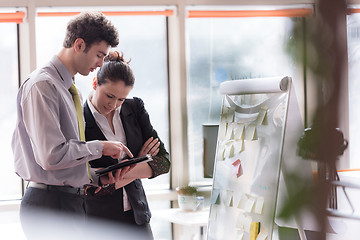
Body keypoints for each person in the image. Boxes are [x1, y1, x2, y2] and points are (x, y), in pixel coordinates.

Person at [11, 12, 133, 239]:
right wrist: (101, 147)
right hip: (50, 205)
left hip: (68, 201)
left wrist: (94, 175)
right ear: (79, 44)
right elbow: (51, 156)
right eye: (99, 55)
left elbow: (62, 162)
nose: (101, 64)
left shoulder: (67, 88)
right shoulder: (44, 85)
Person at [83, 51, 171, 239]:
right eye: (110, 96)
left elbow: (163, 163)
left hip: (138, 218)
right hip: (99, 223)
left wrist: (118, 173)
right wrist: (141, 162)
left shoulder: (135, 108)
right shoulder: (79, 119)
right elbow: (90, 189)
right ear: (95, 83)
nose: (114, 104)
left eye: (121, 99)